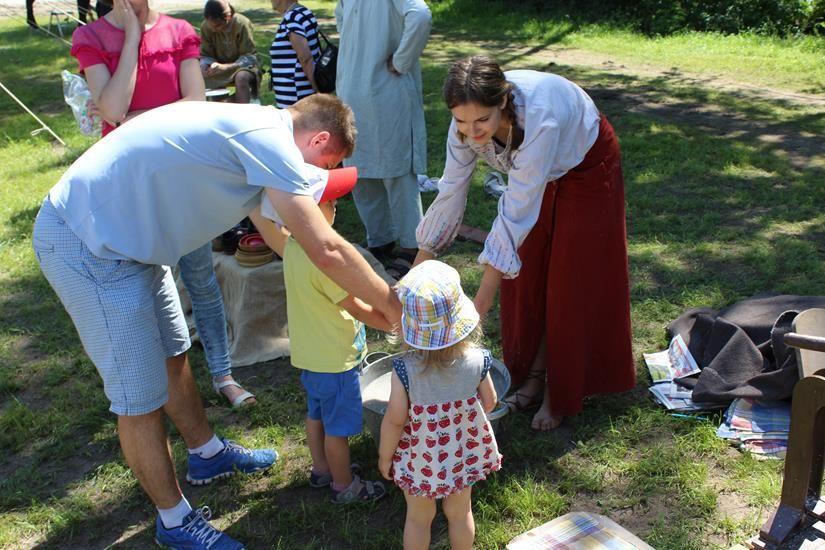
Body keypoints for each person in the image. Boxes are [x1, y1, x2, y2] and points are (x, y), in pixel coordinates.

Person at [32, 95, 401, 548]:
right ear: (319, 138)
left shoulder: (260, 133)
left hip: (131, 244)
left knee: (173, 351)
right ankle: (174, 522)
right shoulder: (271, 142)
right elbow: (324, 247)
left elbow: (289, 242)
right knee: (138, 399)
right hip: (89, 242)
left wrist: (355, 291)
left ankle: (205, 454)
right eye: (324, 165)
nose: (316, 182)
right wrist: (395, 308)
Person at [415, 55, 636, 431]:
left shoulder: (539, 121)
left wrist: (475, 312)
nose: (472, 131)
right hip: (536, 173)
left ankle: (559, 392)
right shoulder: (465, 126)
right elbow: (450, 191)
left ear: (502, 102)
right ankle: (532, 380)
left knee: (568, 280)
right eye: (461, 121)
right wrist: (414, 277)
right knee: (527, 277)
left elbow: (515, 214)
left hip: (585, 164)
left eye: (482, 120)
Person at [71, 0, 255, 407]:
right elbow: (114, 108)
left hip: (180, 177)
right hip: (128, 186)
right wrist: (133, 38)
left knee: (201, 281)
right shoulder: (91, 37)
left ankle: (223, 374)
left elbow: (195, 105)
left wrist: (128, 117)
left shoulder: (178, 32)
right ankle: (164, 386)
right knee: (147, 288)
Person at [260, 166, 392, 503]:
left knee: (316, 414)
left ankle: (322, 470)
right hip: (337, 362)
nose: (336, 207)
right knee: (339, 429)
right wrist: (393, 322)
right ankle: (344, 485)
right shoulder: (324, 262)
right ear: (306, 213)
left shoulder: (292, 247)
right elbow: (359, 308)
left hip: (310, 356)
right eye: (330, 202)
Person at [378, 260, 502, 549]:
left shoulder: (405, 369)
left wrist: (386, 457)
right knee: (461, 514)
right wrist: (467, 419)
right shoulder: (478, 359)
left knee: (419, 518)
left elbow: (395, 419)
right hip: (461, 451)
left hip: (420, 457)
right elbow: (491, 400)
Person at [334, 0, 431, 279]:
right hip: (353, 88)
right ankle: (379, 239)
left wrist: (402, 59)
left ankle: (412, 246)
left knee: (397, 171)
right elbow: (343, 19)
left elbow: (420, 15)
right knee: (360, 170)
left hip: (388, 90)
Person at [200, 0, 260, 104]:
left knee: (242, 77)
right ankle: (217, 110)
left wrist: (226, 67)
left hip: (243, 66)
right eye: (211, 26)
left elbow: (250, 57)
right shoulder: (206, 26)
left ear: (228, 17)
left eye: (218, 25)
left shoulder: (241, 23)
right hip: (219, 67)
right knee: (200, 75)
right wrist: (205, 65)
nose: (214, 30)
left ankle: (243, 113)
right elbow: (206, 54)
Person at [269, 0, 320, 108]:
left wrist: (320, 93)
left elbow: (306, 59)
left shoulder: (292, 18)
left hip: (296, 97)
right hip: (299, 95)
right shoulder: (303, 12)